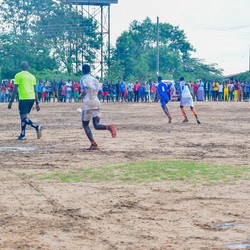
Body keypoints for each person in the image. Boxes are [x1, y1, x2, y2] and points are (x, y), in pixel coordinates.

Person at [80, 64, 116, 150]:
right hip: (96, 102)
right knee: (96, 125)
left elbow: (85, 90)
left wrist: (81, 96)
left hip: (88, 103)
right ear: (90, 70)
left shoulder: (83, 79)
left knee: (85, 125)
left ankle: (93, 144)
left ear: (82, 71)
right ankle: (109, 127)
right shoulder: (95, 80)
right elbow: (100, 92)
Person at [8, 61, 43, 140]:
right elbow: (35, 91)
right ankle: (22, 135)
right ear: (28, 67)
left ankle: (36, 127)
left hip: (24, 98)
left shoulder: (18, 75)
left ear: (21, 67)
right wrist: (37, 103)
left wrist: (11, 101)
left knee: (23, 117)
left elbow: (15, 89)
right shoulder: (32, 76)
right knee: (24, 117)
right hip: (32, 98)